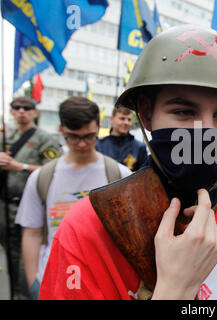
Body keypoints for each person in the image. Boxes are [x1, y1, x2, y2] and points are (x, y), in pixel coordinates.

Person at [39, 25, 217, 300]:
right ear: (147, 115)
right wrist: (174, 290)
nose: (205, 131)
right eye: (184, 112)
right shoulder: (87, 228)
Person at [15, 97, 131, 299]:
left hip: (104, 282)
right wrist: (34, 280)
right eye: (73, 137)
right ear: (61, 130)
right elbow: (32, 233)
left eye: (89, 136)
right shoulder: (41, 178)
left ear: (98, 129)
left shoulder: (120, 175)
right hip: (53, 280)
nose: (82, 143)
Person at [0, 97, 60, 299]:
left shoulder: (44, 138)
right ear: (11, 112)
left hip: (30, 209)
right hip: (4, 207)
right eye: (17, 108)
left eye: (27, 108)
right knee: (9, 256)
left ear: (35, 112)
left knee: (26, 261)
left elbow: (55, 170)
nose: (21, 112)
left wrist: (20, 167)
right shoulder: (6, 136)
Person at [96, 106, 147, 171]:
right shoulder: (99, 145)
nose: (126, 122)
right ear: (111, 119)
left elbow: (144, 176)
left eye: (129, 119)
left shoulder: (140, 147)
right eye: (122, 118)